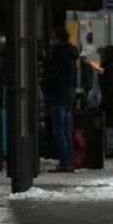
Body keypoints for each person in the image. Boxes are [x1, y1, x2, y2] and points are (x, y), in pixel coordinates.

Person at [43, 26, 80, 171]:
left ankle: (64, 161)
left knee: (59, 130)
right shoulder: (69, 54)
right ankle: (69, 160)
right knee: (65, 129)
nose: (51, 40)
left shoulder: (58, 55)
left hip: (58, 96)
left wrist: (46, 86)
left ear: (58, 39)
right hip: (66, 95)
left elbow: (54, 76)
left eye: (53, 37)